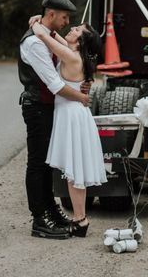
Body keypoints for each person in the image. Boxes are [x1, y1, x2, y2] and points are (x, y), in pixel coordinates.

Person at [18, 0, 90, 240]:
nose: (67, 22)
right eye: (64, 17)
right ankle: (40, 218)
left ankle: (51, 211)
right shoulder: (35, 43)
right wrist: (81, 96)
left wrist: (38, 24)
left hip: (49, 108)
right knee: (37, 163)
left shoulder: (46, 35)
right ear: (51, 14)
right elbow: (54, 84)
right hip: (37, 106)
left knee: (47, 164)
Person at [30, 19, 107, 238]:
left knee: (74, 173)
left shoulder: (72, 56)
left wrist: (36, 22)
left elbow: (45, 36)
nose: (71, 28)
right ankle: (80, 219)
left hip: (71, 115)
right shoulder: (76, 55)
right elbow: (58, 38)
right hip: (75, 114)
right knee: (75, 172)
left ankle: (81, 220)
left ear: (80, 41)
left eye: (76, 30)